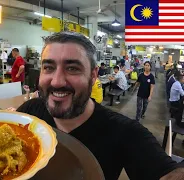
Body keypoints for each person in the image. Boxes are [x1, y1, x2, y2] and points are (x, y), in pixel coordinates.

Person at [16, 32, 184, 180]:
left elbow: (168, 174)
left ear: (93, 75)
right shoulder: (29, 112)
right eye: (48, 67)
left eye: (72, 68)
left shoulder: (124, 133)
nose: (57, 81)